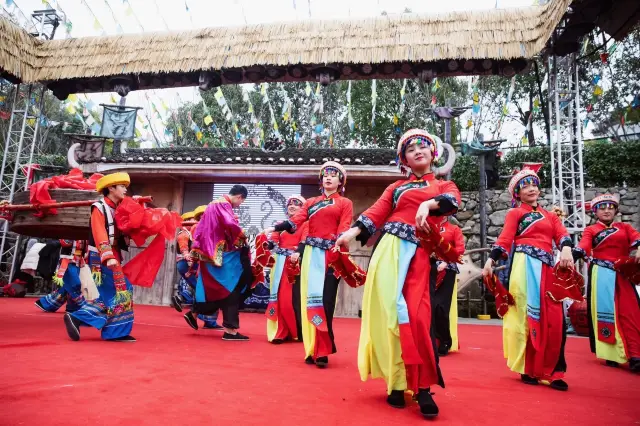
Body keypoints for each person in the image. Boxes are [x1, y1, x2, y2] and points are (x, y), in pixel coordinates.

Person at [335, 129, 459, 418]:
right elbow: (375, 215)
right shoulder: (395, 187)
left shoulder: (443, 186)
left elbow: (452, 202)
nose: (417, 151)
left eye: (423, 146)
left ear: (433, 153)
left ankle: (423, 387)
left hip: (418, 254)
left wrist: (428, 204)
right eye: (410, 149)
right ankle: (396, 382)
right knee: (390, 316)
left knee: (417, 316)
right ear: (403, 159)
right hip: (388, 252)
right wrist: (349, 234)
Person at [482, 165, 574, 390]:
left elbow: (562, 235)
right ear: (517, 193)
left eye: (534, 184)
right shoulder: (516, 213)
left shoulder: (550, 216)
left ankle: (553, 371)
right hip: (523, 268)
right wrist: (491, 260)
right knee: (524, 316)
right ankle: (528, 367)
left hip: (546, 268)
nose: (531, 189)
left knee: (554, 319)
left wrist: (566, 249)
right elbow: (504, 239)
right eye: (525, 186)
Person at [263, 161, 353, 368]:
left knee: (326, 302)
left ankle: (323, 349)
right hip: (311, 255)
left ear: (341, 181)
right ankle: (312, 348)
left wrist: (337, 248)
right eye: (325, 175)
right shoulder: (311, 202)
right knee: (309, 301)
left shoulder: (344, 203)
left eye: (333, 175)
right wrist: (274, 228)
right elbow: (295, 222)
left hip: (331, 254)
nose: (328, 178)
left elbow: (344, 228)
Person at [63, 172, 136, 342]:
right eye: (122, 186)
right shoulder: (99, 207)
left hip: (113, 255)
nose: (126, 190)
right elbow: (99, 232)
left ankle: (82, 319)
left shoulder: (118, 208)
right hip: (103, 257)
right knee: (122, 290)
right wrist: (107, 256)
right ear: (111, 188)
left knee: (113, 293)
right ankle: (88, 320)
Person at [573, 194, 640, 372]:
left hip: (622, 275)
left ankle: (635, 355)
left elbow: (636, 238)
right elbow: (584, 245)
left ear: (616, 210)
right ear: (595, 211)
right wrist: (572, 256)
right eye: (602, 207)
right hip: (601, 275)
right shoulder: (592, 230)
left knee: (630, 313)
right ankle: (611, 354)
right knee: (606, 314)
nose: (607, 210)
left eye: (610, 207)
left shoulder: (624, 227)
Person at [186, 185, 253, 341]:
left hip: (210, 253)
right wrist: (243, 236)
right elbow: (230, 224)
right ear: (240, 197)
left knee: (215, 289)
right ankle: (230, 330)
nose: (239, 205)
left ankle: (194, 312)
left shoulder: (212, 204)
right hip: (222, 255)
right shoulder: (223, 204)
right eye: (241, 202)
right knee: (231, 290)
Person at [266, 195, 308, 344]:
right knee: (280, 297)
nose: (292, 206)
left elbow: (304, 242)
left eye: (296, 204)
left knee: (295, 298)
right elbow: (273, 242)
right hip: (279, 265)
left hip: (296, 265)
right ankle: (281, 332)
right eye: (290, 204)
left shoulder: (306, 224)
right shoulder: (280, 225)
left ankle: (299, 331)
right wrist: (266, 244)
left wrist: (298, 252)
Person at [171, 208, 222, 330]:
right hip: (189, 265)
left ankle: (184, 300)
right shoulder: (185, 233)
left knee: (201, 291)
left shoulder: (200, 231)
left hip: (194, 265)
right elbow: (184, 247)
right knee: (204, 291)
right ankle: (200, 317)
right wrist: (187, 255)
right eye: (192, 219)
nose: (194, 221)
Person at [431, 217, 465, 356]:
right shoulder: (427, 228)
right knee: (429, 307)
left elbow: (460, 249)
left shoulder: (454, 229)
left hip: (448, 270)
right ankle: (431, 342)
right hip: (430, 269)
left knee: (441, 307)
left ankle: (445, 341)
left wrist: (447, 260)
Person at [35, 240, 87, 313]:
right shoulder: (70, 230)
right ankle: (83, 306)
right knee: (75, 283)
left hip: (78, 261)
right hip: (67, 261)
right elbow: (64, 242)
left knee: (67, 286)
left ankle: (48, 303)